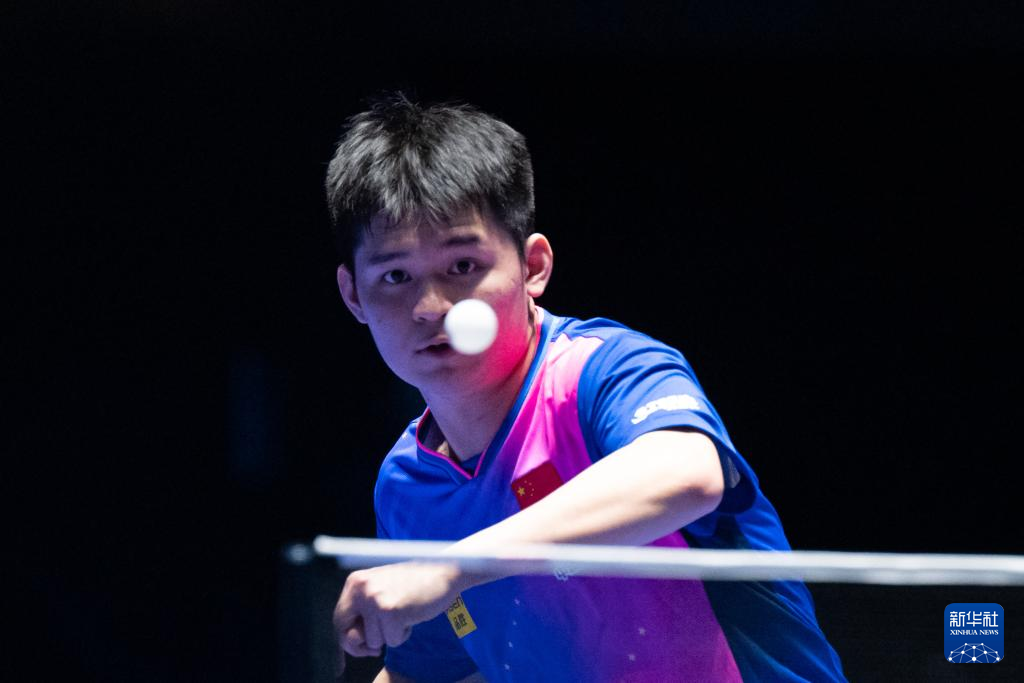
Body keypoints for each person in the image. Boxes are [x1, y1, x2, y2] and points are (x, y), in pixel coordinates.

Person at [324, 92, 847, 682]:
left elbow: (688, 474)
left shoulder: (603, 372)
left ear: (533, 267)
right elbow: (425, 672)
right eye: (395, 275)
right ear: (353, 295)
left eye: (463, 266)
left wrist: (451, 567)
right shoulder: (408, 486)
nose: (430, 306)